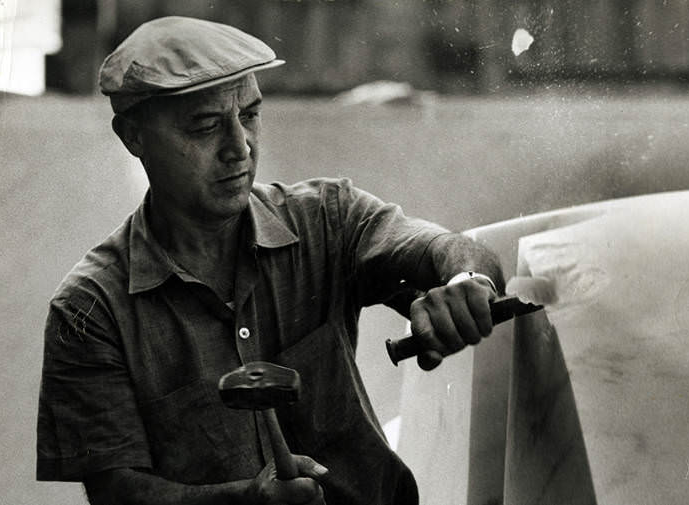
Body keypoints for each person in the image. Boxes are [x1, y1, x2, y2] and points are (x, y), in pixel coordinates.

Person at [36, 16, 504, 505]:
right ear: (133, 136)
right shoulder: (89, 311)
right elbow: (117, 492)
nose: (239, 148)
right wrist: (244, 502)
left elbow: (442, 249)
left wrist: (468, 281)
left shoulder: (327, 217)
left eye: (250, 115)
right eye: (204, 126)